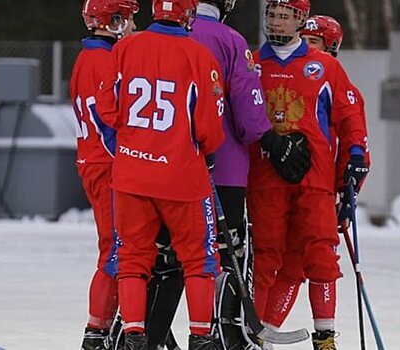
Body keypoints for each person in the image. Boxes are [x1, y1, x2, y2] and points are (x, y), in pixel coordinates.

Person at [141, 0, 312, 348]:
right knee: (222, 255)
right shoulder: (230, 40)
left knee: (165, 257)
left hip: (156, 168)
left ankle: (145, 335)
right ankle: (222, 335)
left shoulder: (146, 39)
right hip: (222, 170)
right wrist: (272, 142)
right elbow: (248, 113)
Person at [95, 0, 227, 348]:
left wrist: (132, 142)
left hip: (131, 174)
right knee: (199, 259)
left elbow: (106, 108)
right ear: (187, 15)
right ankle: (201, 336)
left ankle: (134, 333)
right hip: (182, 178)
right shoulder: (199, 56)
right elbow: (210, 128)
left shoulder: (124, 48)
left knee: (132, 258)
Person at [248, 2, 370, 350]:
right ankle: (256, 334)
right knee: (267, 256)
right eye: (272, 15)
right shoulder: (254, 63)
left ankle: (325, 335)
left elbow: (350, 118)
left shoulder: (326, 67)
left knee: (319, 256)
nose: (276, 21)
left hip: (315, 179)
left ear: (298, 20)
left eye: (284, 16)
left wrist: (356, 157)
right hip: (266, 178)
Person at [69, 1, 138, 349]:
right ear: (110, 21)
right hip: (107, 164)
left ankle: (107, 327)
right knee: (115, 250)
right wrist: (131, 159)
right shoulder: (103, 60)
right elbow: (106, 120)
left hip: (95, 161)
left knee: (117, 247)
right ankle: (96, 331)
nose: (132, 25)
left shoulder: (89, 57)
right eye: (126, 18)